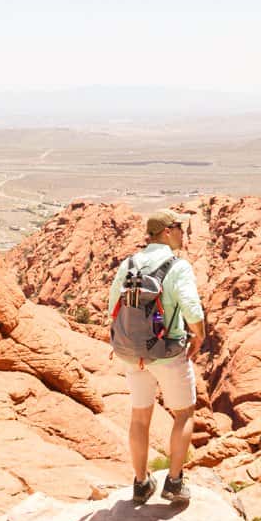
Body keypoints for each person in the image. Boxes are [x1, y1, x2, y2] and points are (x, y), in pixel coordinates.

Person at [108, 208, 206, 504]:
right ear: (167, 231)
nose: (182, 234)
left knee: (140, 417)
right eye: (179, 228)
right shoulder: (178, 266)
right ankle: (174, 483)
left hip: (132, 354)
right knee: (184, 413)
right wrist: (199, 335)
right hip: (167, 353)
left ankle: (140, 483)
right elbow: (191, 307)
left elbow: (113, 304)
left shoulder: (128, 264)